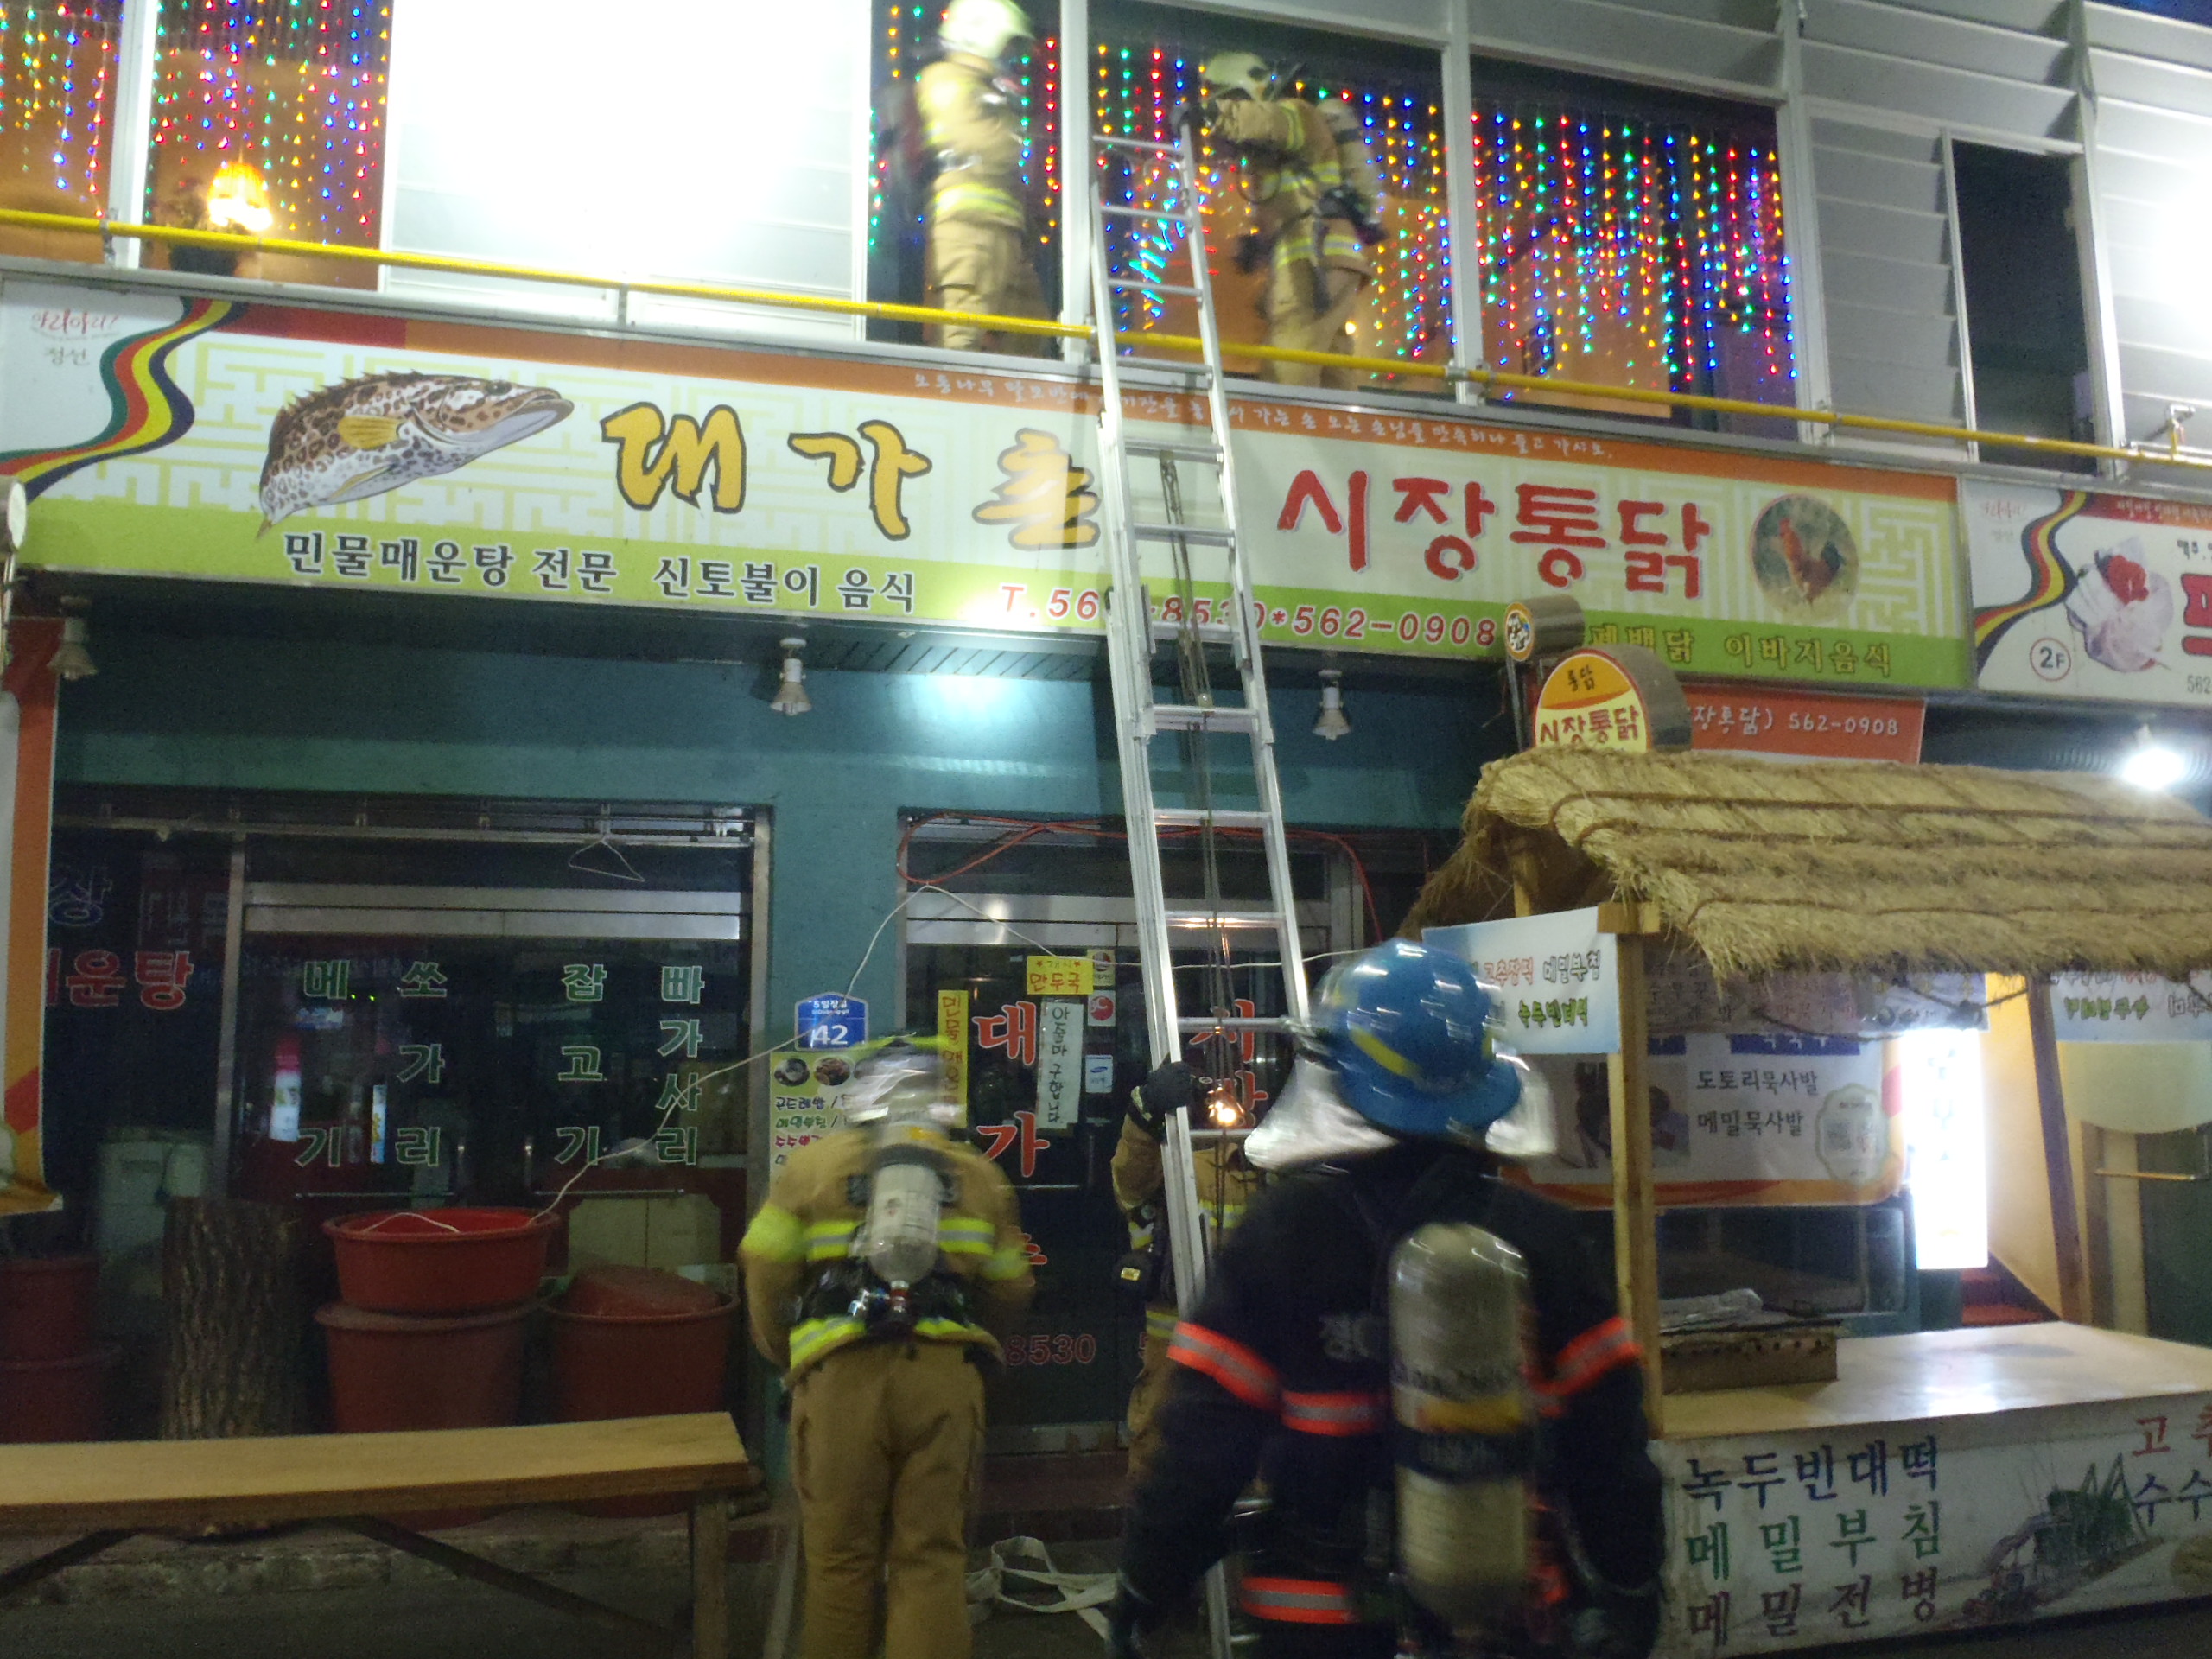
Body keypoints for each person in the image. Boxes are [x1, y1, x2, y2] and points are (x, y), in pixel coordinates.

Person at [1104, 939, 1664, 1659]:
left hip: (1319, 1623)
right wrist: (1633, 1588)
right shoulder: (1544, 1237)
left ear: (1340, 1077)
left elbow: (1201, 1447)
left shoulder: (1284, 1233)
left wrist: (1145, 1585)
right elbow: (1612, 1449)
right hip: (1510, 1621)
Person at [740, 1037, 1035, 1659]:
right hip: (943, 1379)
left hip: (840, 1377)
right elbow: (1012, 1285)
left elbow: (763, 1264)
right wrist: (973, 1351)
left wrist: (785, 1350)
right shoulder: (980, 1177)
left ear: (863, 1090)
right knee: (930, 1559)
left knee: (839, 1561)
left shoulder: (814, 1166)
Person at [1191, 52, 1388, 391]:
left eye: (1230, 99)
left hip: (1314, 262)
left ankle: (1284, 419)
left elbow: (1267, 122)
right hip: (1329, 261)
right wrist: (1258, 244)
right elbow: (1290, 210)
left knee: (1288, 356)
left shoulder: (1297, 115)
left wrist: (1211, 114)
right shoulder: (1271, 162)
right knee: (1331, 363)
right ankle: (1341, 422)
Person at [1111, 1057, 1262, 1484]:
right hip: (1175, 1345)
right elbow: (1130, 1175)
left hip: (1245, 1342)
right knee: (1160, 1452)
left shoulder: (1258, 1167)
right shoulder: (1166, 1168)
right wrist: (1144, 1110)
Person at [917, 0, 1051, 356]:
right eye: (1007, 46)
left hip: (1007, 233)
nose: (1011, 57)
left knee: (1030, 331)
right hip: (967, 230)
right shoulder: (944, 79)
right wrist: (1010, 135)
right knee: (960, 332)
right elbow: (977, 140)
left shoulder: (991, 90)